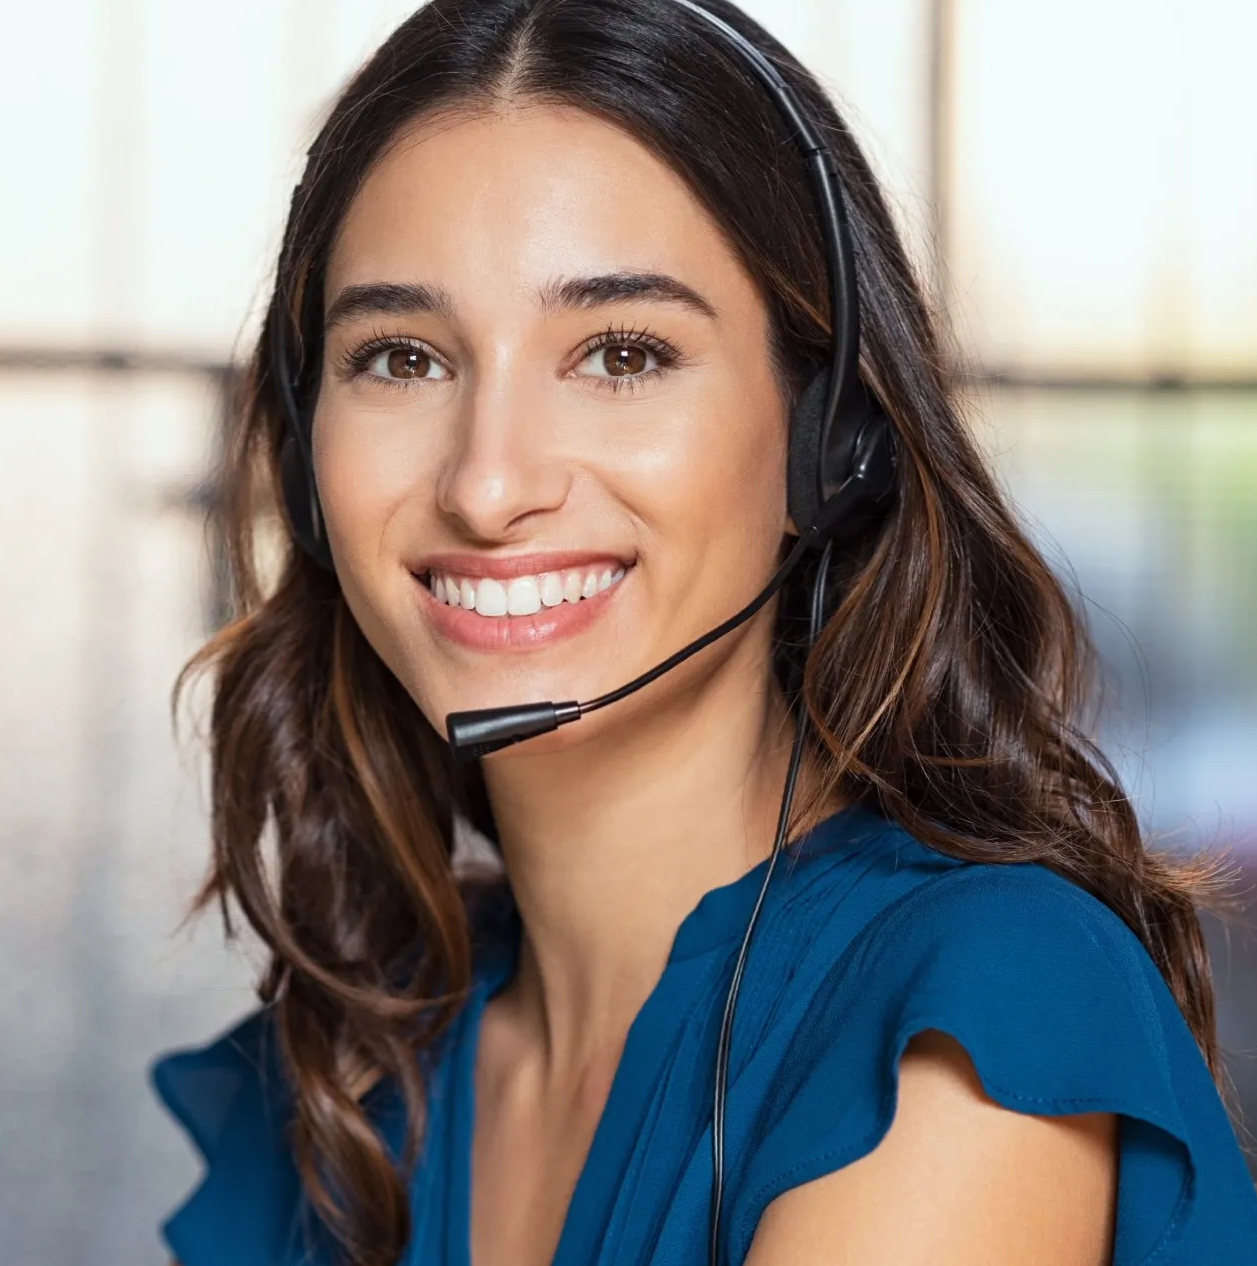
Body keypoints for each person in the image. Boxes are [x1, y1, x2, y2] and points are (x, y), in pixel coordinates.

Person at [148, 0, 1257, 1263]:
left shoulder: (972, 1017)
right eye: (402, 358)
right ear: (306, 464)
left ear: (829, 444)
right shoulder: (363, 1066)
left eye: (621, 355)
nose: (487, 485)